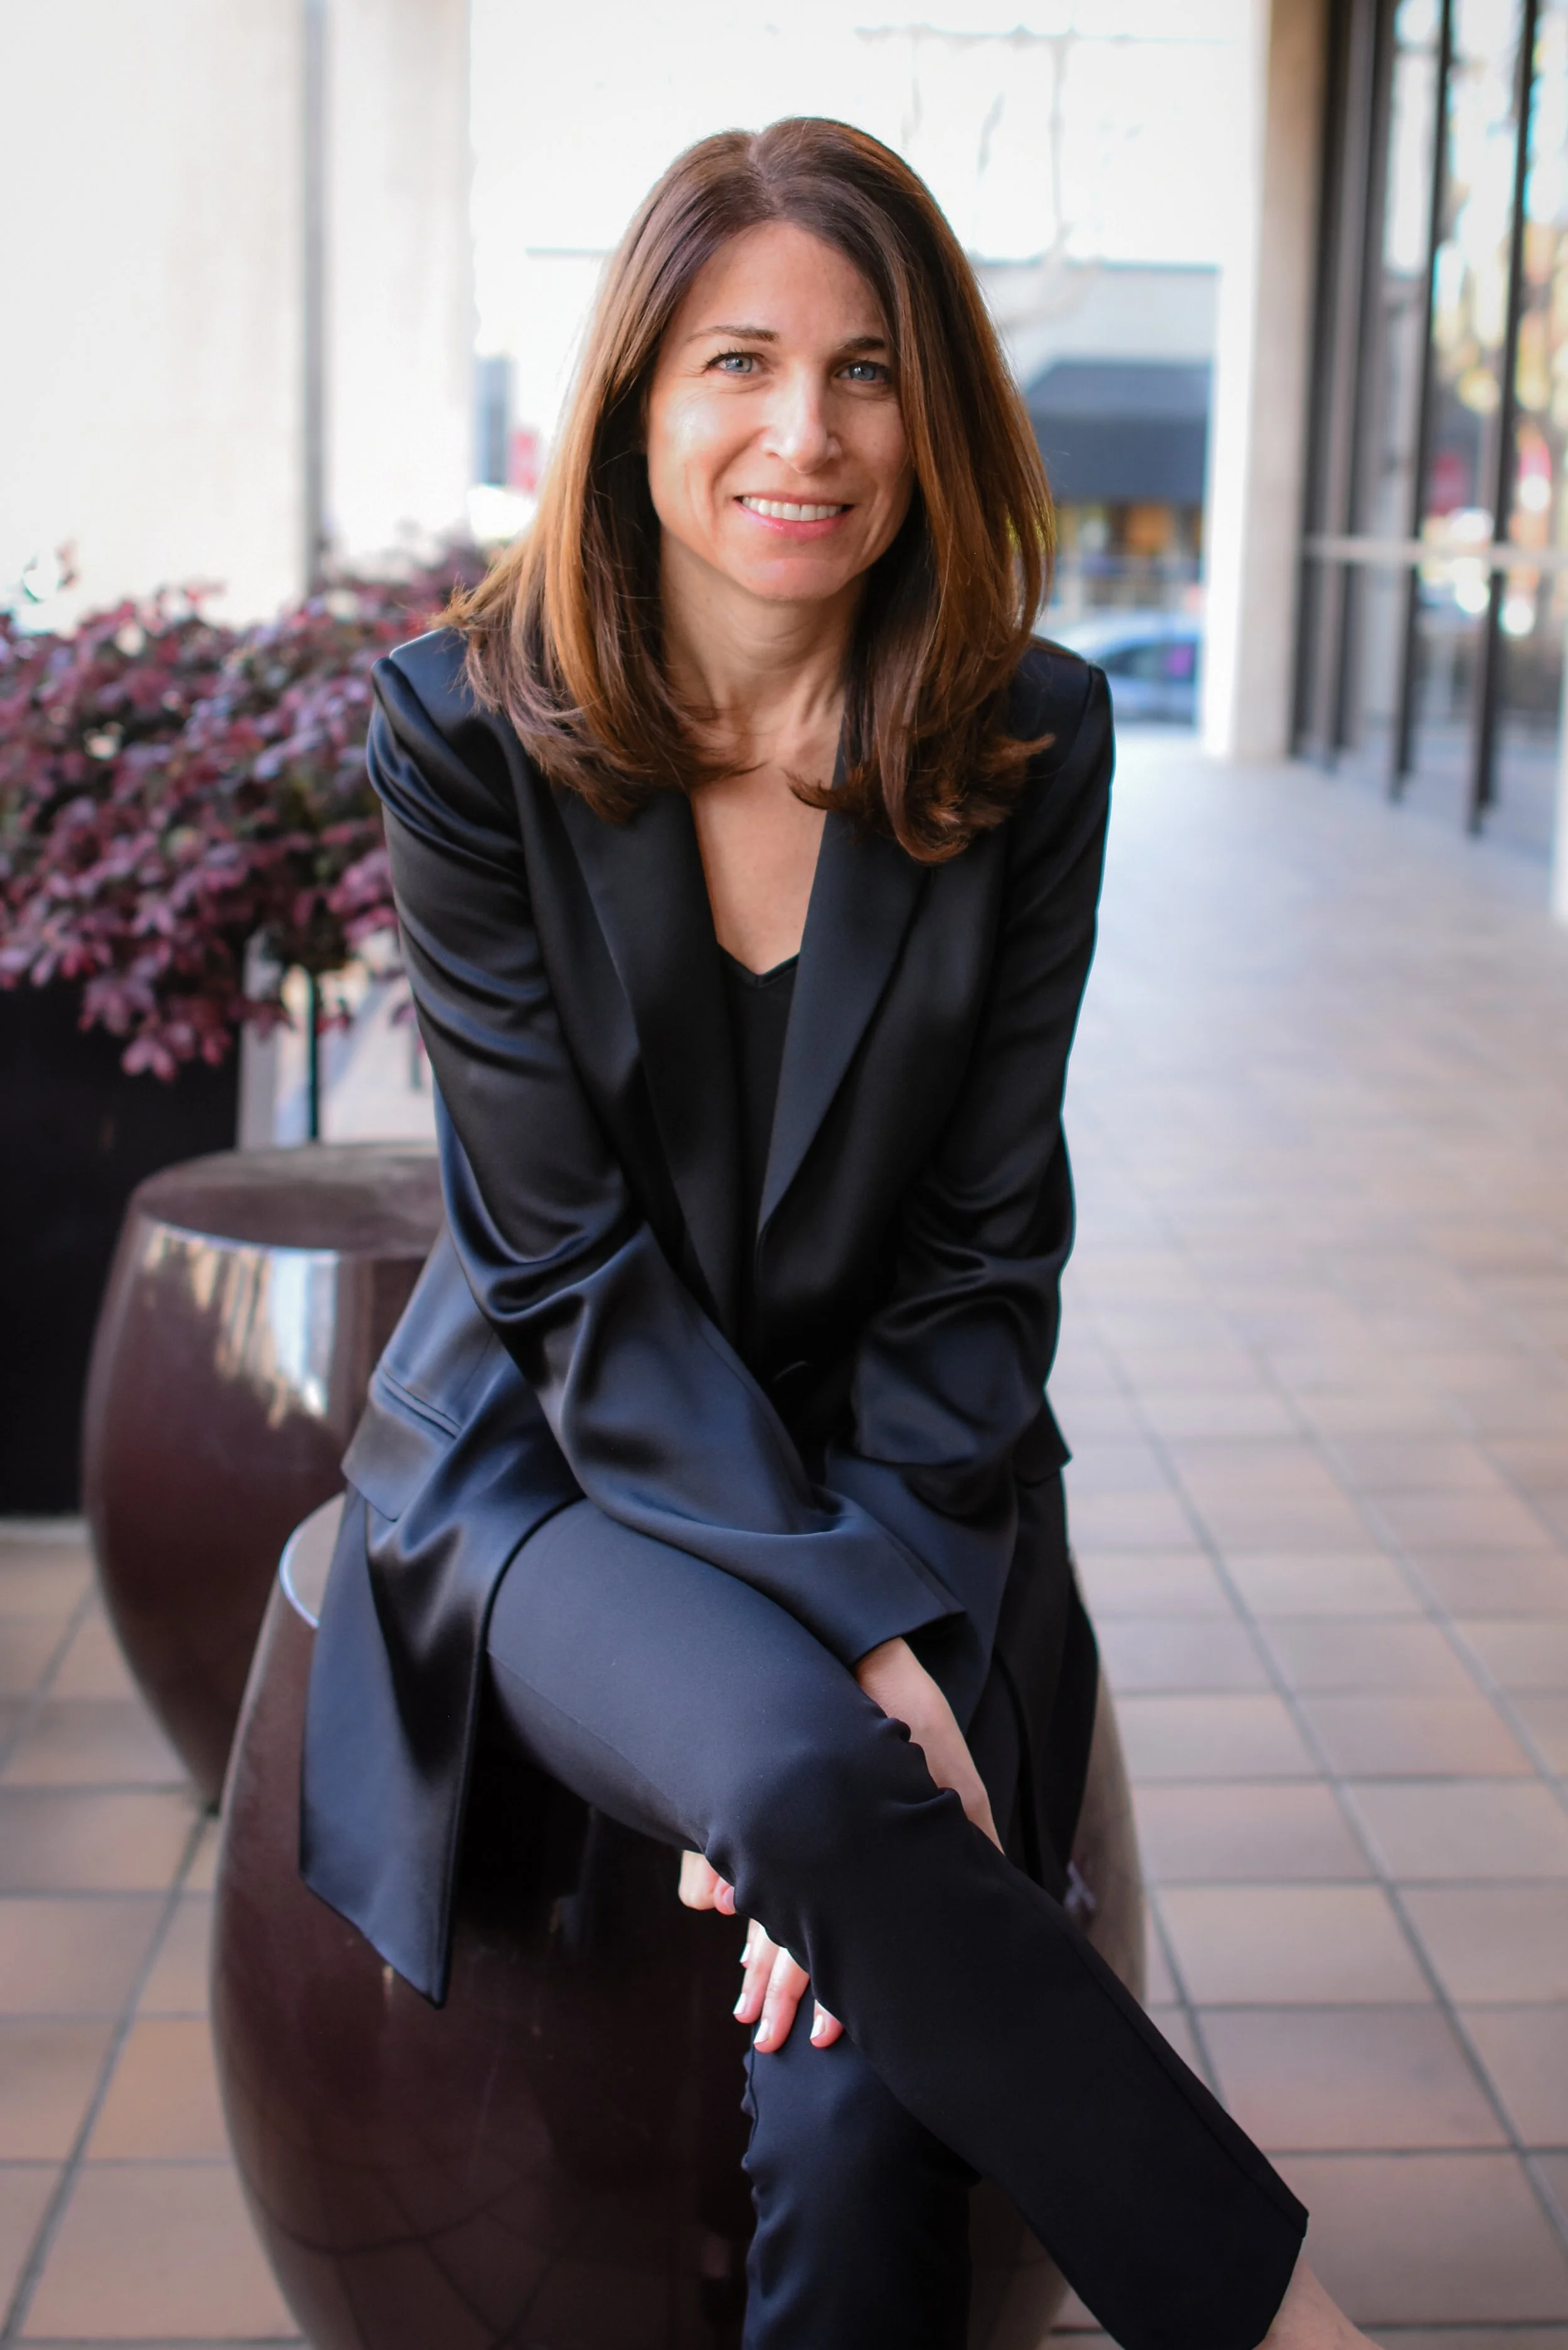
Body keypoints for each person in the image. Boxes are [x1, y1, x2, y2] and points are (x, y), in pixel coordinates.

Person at [300, 117, 1374, 2350]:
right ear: (635, 401)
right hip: (560, 1465)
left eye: (870, 370)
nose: (807, 432)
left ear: (939, 408)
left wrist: (898, 1585)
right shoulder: (459, 732)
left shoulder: (1030, 739)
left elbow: (986, 1252)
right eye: (738, 362)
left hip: (914, 1451)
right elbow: (565, 1266)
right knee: (816, 1775)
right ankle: (1277, 2325)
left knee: (863, 2064)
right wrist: (875, 1660)